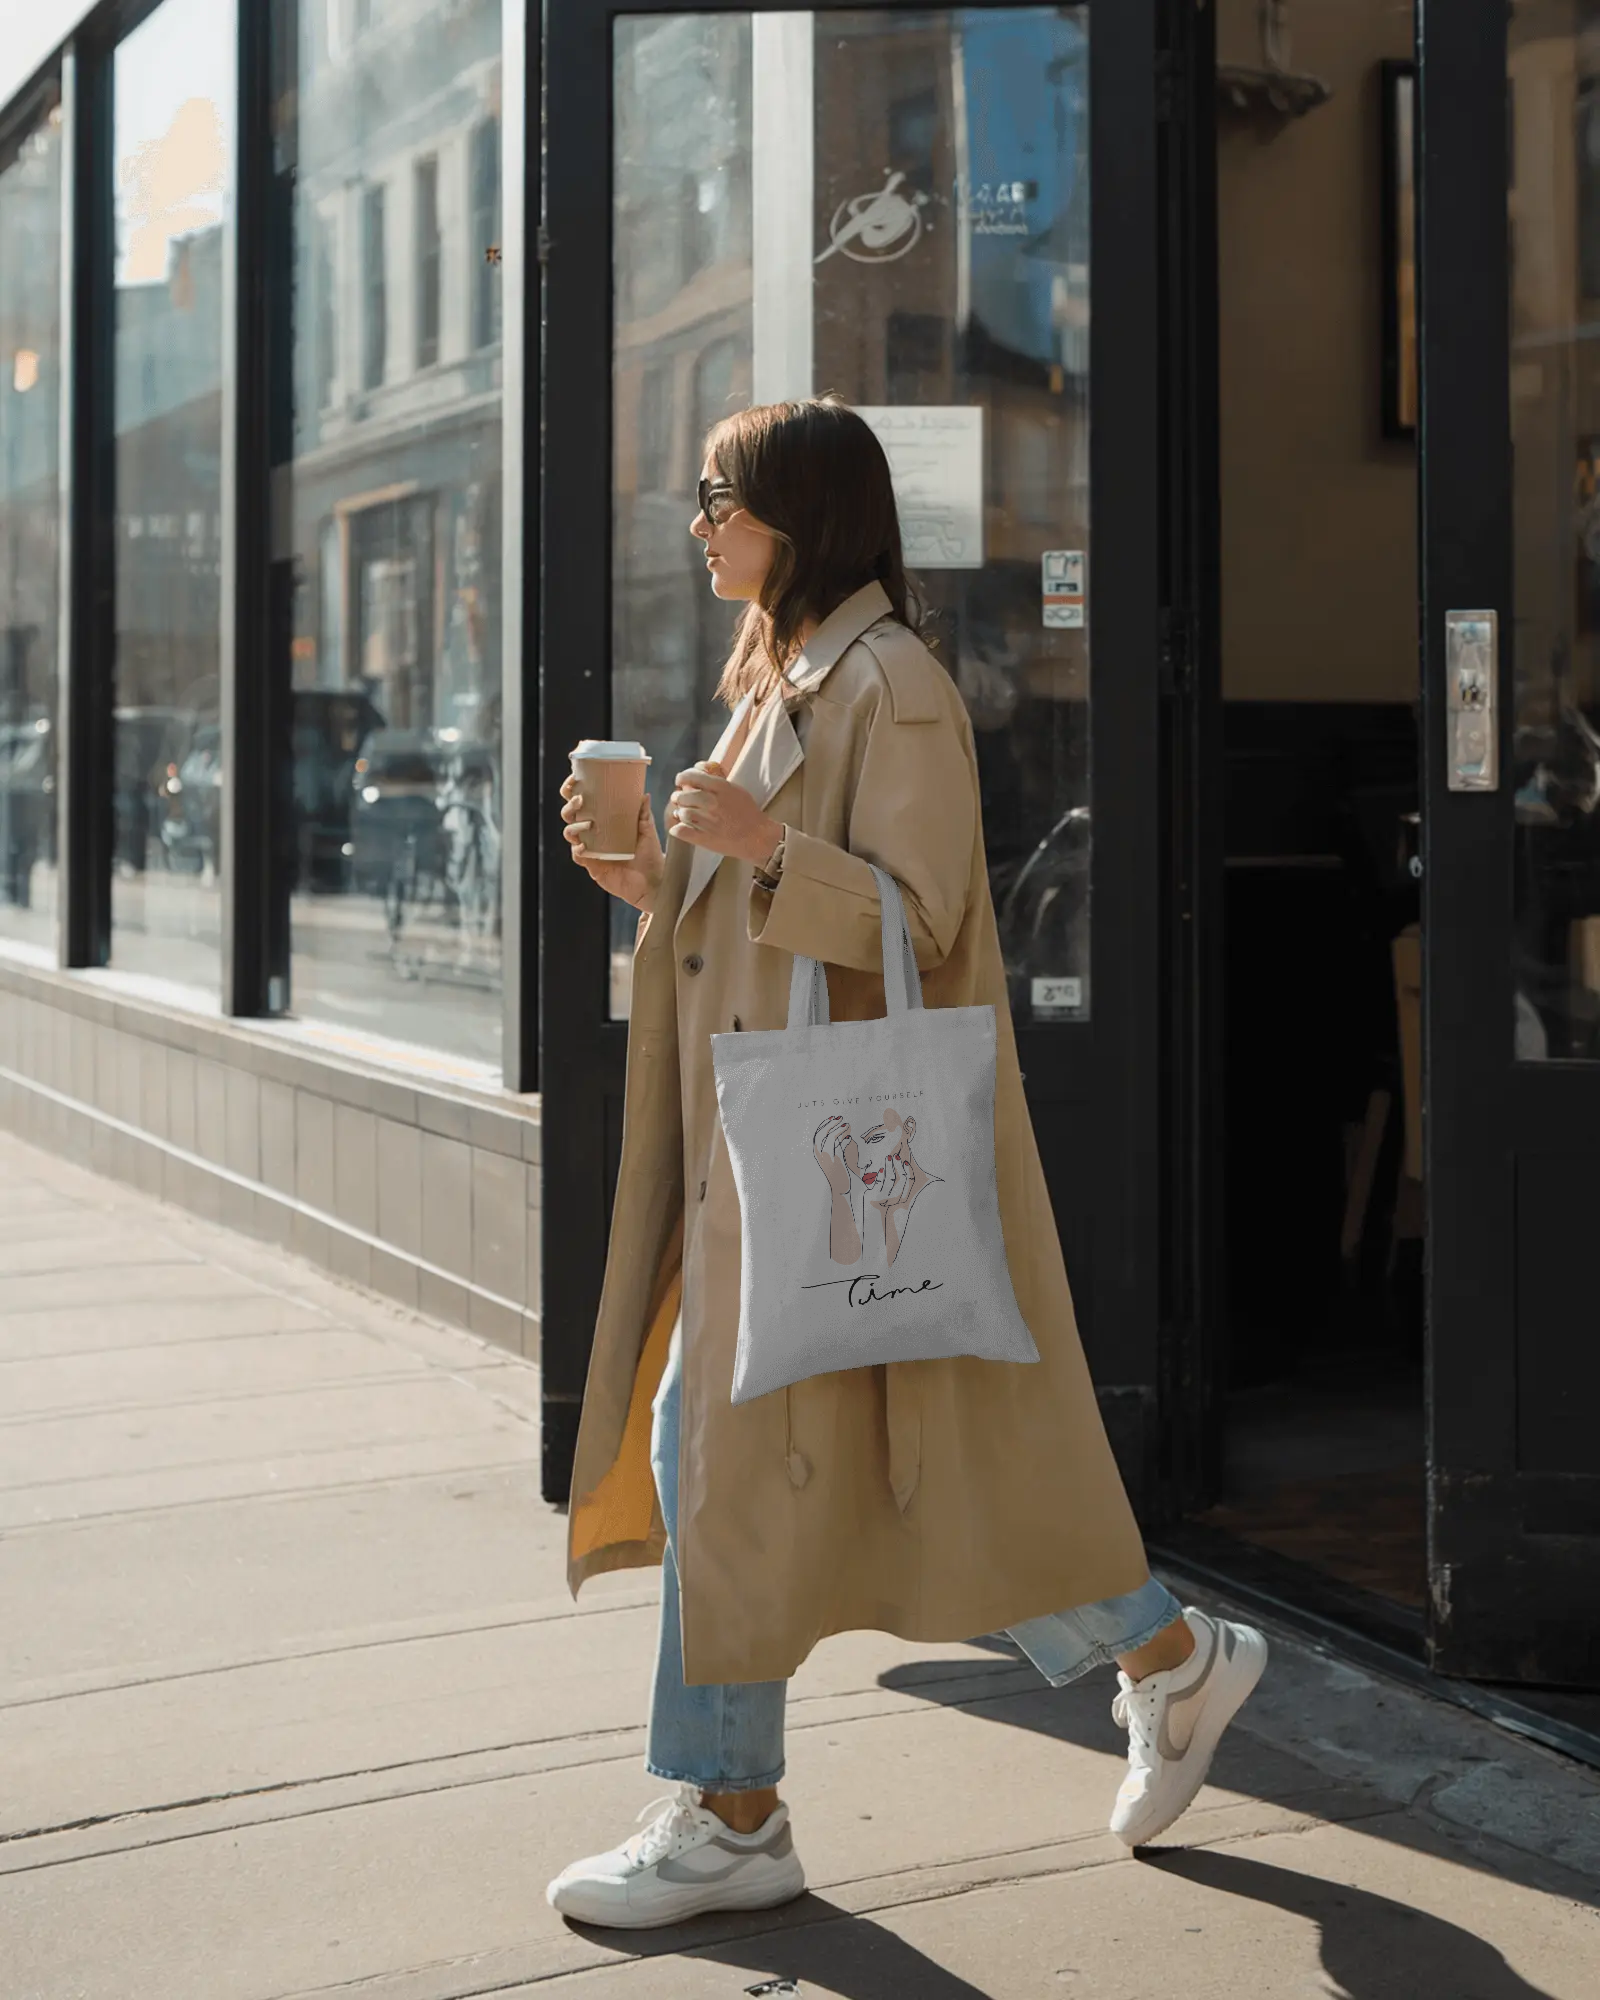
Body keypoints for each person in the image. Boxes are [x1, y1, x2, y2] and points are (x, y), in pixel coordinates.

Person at [548, 398, 1266, 1930]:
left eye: (721, 499)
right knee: (830, 1466)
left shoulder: (892, 686)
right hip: (784, 1154)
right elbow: (770, 925)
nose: (701, 527)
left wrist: (757, 849)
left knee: (762, 1458)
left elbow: (924, 917)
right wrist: (653, 879)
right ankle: (1165, 1656)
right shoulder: (786, 677)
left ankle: (734, 1815)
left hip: (839, 1156)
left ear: (801, 516)